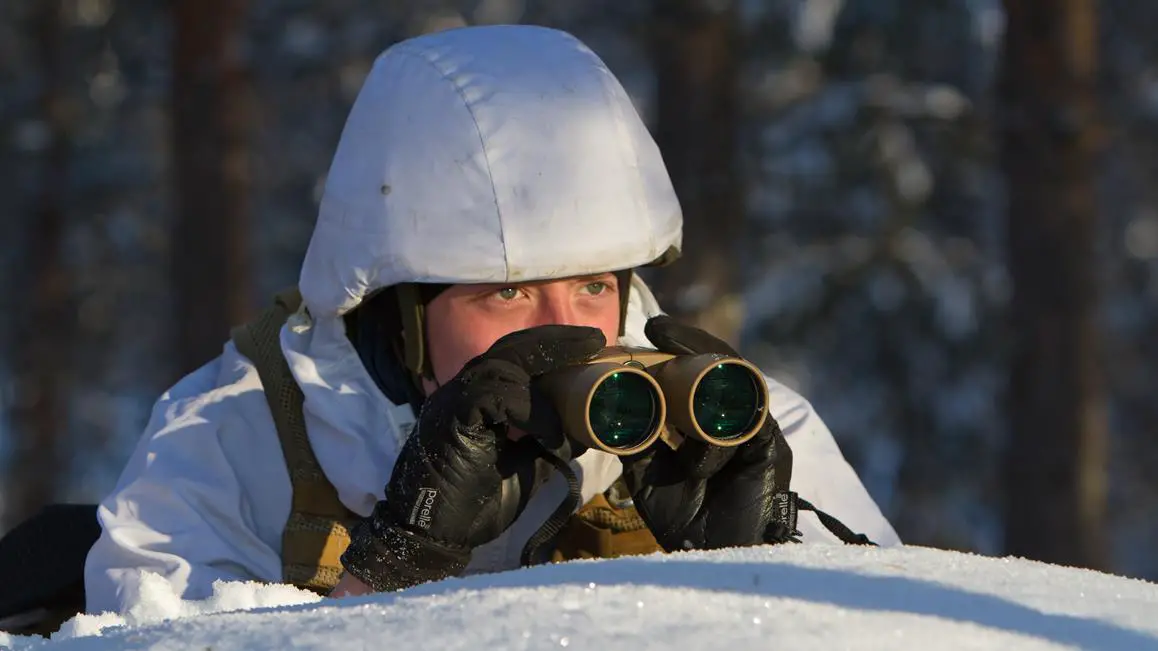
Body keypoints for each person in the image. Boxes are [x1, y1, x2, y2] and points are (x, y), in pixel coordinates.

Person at [83, 24, 900, 614]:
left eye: (590, 286)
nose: (564, 332)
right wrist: (395, 563)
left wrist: (754, 572)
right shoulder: (238, 438)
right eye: (506, 294)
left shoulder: (742, 429)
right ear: (399, 312)